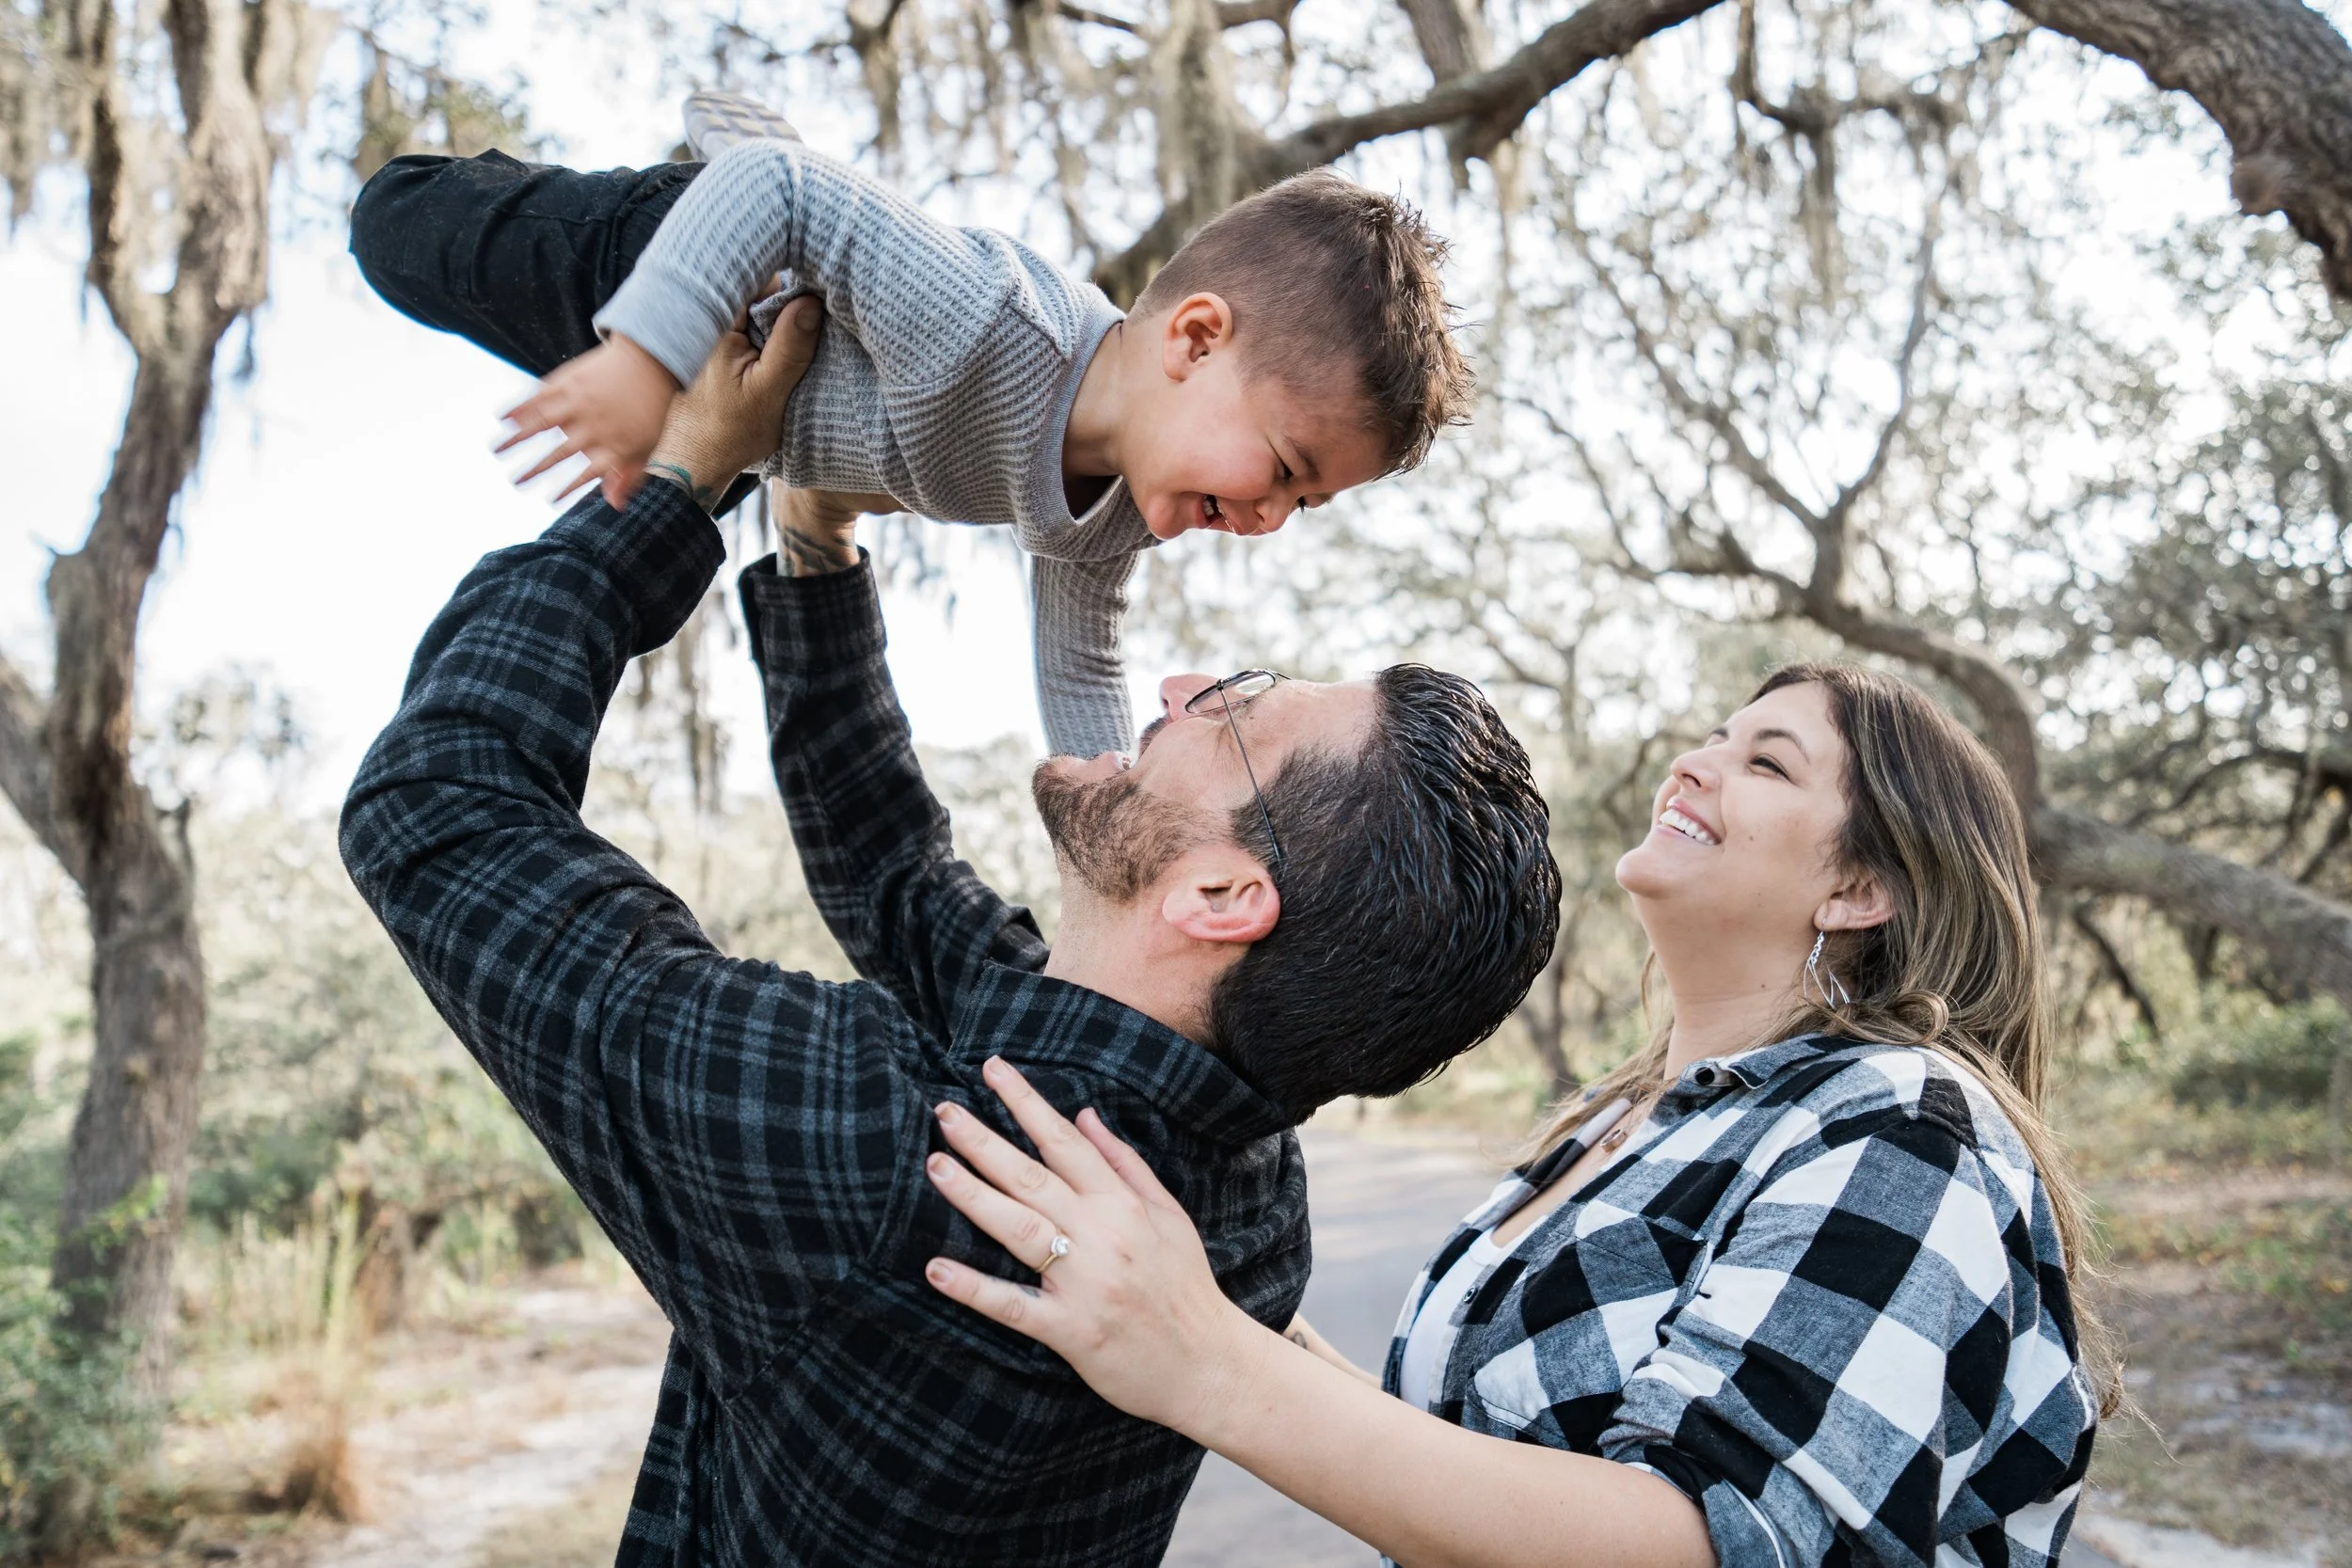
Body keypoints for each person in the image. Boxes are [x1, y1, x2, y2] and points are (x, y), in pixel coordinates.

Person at [338, 299, 1560, 1566]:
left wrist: (678, 475)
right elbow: (902, 880)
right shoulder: (1239, 1188)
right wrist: (817, 544)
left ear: (1220, 897)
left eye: (1242, 705)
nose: (1189, 684)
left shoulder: (900, 1162)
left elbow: (438, 802)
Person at [919, 664, 2113, 1568]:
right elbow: (1456, 1451)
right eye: (1715, 735)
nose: (1695, 761)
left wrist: (1204, 1358)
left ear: (1859, 888)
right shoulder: (1625, 1121)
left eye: (1767, 763)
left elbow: (1716, 1534)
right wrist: (1199, 1293)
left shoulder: (1904, 1128)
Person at [346, 92, 1470, 761]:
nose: (1270, 518)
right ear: (1192, 338)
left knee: (647, 558)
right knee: (396, 231)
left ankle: (735, 148)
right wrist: (644, 362)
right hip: (672, 270)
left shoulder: (1114, 519)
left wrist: (1108, 800)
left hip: (777, 430)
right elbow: (780, 191)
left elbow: (1083, 662)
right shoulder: (990, 322)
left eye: (1303, 504)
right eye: (1284, 467)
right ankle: (697, 151)